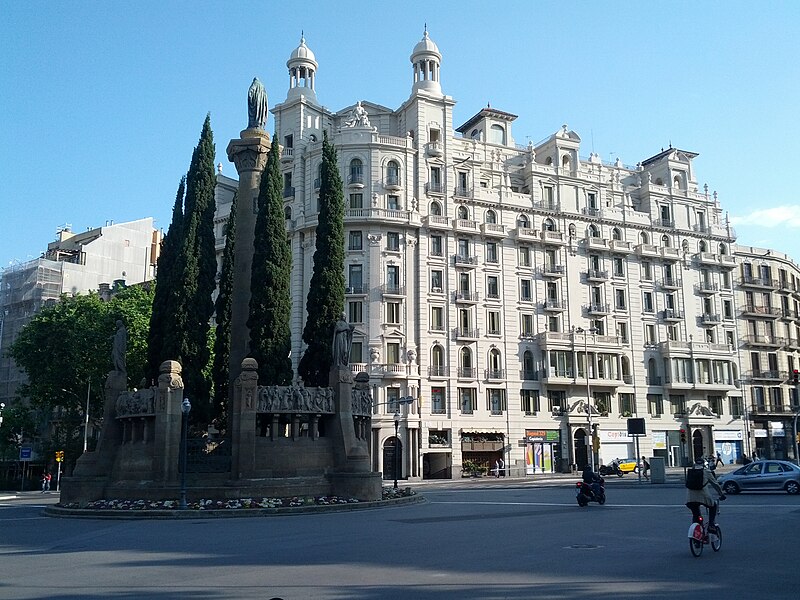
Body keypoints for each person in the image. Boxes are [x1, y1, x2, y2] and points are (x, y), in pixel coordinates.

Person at [685, 457, 725, 531]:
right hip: (703, 497)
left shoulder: (690, 472)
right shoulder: (706, 472)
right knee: (713, 506)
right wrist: (721, 494)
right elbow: (715, 484)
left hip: (690, 499)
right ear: (704, 464)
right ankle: (711, 525)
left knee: (696, 514)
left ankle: (696, 532)